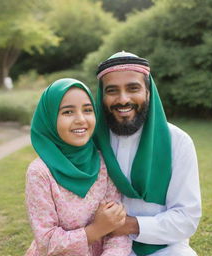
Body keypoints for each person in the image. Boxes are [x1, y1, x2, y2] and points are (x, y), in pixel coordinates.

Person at [94, 51, 202, 256]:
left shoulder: (178, 142)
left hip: (164, 249)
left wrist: (128, 226)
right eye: (112, 90)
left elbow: (186, 219)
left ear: (148, 92)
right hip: (100, 245)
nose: (123, 99)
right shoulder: (90, 141)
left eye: (133, 88)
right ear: (101, 96)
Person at [25, 78, 132, 256]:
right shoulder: (40, 173)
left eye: (88, 110)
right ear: (50, 118)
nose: (81, 119)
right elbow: (47, 243)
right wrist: (96, 229)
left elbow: (117, 229)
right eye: (68, 112)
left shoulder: (104, 163)